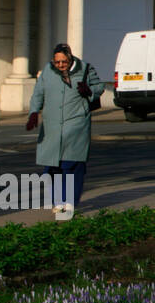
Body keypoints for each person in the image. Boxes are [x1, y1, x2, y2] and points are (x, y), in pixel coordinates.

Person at [26, 43, 103, 216]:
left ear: (70, 58)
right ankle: (57, 201)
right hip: (52, 125)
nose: (60, 65)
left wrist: (89, 91)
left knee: (72, 164)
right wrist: (33, 112)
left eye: (64, 62)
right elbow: (38, 92)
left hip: (76, 124)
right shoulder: (47, 71)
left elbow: (99, 87)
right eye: (57, 62)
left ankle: (70, 202)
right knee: (53, 166)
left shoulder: (85, 69)